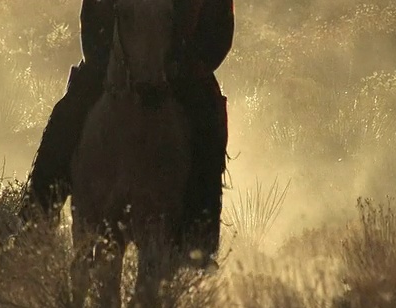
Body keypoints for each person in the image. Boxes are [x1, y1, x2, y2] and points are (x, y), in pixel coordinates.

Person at [18, 0, 234, 257]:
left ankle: (198, 240)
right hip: (113, 67)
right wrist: (102, 60)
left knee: (207, 127)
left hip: (182, 73)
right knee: (67, 116)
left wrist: (189, 65)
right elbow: (93, 17)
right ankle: (39, 215)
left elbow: (219, 30)